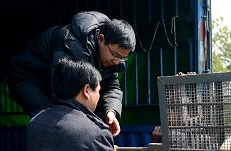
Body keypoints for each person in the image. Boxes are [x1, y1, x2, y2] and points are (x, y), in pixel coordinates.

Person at [8, 11, 136, 136]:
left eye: (122, 58)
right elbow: (64, 91)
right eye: (115, 54)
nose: (117, 61)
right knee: (54, 122)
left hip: (53, 80)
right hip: (27, 76)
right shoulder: (71, 43)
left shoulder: (112, 59)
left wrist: (111, 112)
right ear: (101, 39)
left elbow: (112, 87)